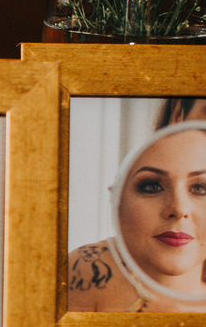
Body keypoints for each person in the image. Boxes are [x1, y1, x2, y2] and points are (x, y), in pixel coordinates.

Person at [67, 122, 206, 312]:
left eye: (200, 189)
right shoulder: (85, 268)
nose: (178, 209)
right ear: (119, 199)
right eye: (152, 186)